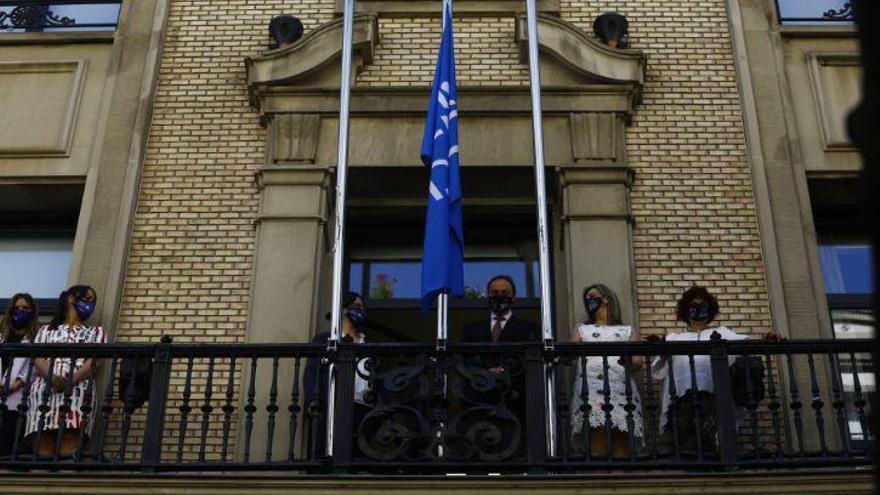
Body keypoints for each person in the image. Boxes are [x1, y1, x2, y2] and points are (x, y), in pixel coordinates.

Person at [648, 285, 781, 456]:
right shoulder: (675, 338)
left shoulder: (722, 333)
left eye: (702, 305)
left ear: (709, 309)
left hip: (713, 403)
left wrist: (767, 339)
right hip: (682, 405)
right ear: (686, 310)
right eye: (693, 305)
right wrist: (658, 345)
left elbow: (747, 345)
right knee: (687, 450)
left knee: (713, 448)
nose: (698, 309)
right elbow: (659, 369)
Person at [26, 285, 105, 458]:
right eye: (86, 298)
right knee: (42, 445)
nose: (90, 303)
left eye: (93, 301)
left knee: (70, 443)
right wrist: (52, 377)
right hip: (44, 391)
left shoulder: (95, 332)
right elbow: (37, 357)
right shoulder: (46, 330)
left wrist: (72, 379)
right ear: (70, 298)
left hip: (78, 392)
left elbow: (96, 359)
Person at [569, 283, 643, 457]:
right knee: (597, 436)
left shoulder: (627, 331)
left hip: (622, 389)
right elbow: (570, 353)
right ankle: (600, 479)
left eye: (593, 296)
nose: (589, 301)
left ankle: (619, 481)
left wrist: (628, 361)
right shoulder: (581, 330)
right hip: (591, 389)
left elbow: (638, 362)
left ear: (606, 299)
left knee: (621, 440)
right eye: (587, 298)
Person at [303, 292, 371, 455]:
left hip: (363, 407)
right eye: (356, 306)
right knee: (329, 452)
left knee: (360, 453)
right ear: (343, 310)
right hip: (332, 405)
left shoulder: (368, 343)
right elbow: (311, 372)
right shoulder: (325, 339)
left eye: (363, 307)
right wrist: (313, 399)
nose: (361, 311)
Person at [0, 294, 38, 457]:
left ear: (32, 312)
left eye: (25, 308)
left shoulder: (35, 339)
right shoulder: (2, 337)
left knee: (6, 442)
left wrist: (15, 385)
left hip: (16, 398)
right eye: (16, 308)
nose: (20, 311)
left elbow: (34, 368)